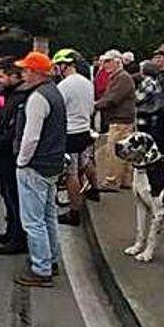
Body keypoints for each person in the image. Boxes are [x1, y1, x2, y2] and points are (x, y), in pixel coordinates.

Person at [13, 52, 66, 288]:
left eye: (25, 70)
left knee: (33, 220)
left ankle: (41, 268)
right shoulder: (55, 93)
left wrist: (22, 161)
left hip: (36, 164)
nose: (22, 73)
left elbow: (31, 136)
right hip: (52, 163)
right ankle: (51, 258)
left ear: (35, 73)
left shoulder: (38, 98)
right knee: (48, 215)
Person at [0, 58, 32, 256]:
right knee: (7, 194)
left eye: (1, 76)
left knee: (14, 196)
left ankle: (18, 237)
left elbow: (14, 128)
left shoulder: (21, 97)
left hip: (10, 154)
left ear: (15, 76)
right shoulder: (12, 94)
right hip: (4, 153)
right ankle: (11, 231)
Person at [52, 49, 96, 227]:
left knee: (72, 173)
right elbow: (92, 108)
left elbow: (57, 110)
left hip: (70, 133)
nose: (56, 70)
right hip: (84, 130)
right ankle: (95, 188)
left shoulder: (64, 86)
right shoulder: (87, 82)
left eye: (58, 66)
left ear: (65, 66)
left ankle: (74, 212)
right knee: (85, 162)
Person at [94, 49, 136, 192]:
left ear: (117, 62)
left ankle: (112, 181)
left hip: (120, 120)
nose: (104, 64)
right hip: (123, 119)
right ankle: (126, 180)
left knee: (113, 151)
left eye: (107, 61)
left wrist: (94, 105)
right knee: (124, 151)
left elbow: (112, 99)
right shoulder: (119, 76)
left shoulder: (122, 78)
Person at [135, 60, 164, 148]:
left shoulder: (148, 82)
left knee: (145, 138)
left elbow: (139, 98)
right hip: (150, 114)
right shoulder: (154, 81)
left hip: (146, 114)